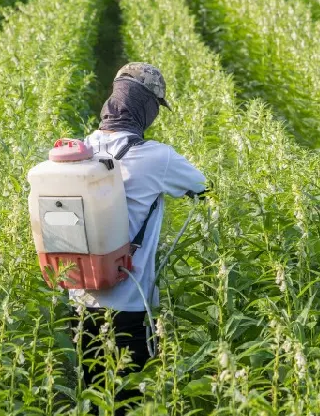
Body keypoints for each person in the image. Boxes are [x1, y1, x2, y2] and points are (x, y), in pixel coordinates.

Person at [70, 62, 206, 411]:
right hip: (130, 305)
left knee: (93, 392)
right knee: (130, 400)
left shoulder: (82, 148)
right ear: (146, 107)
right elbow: (202, 187)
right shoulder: (157, 157)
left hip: (80, 300)